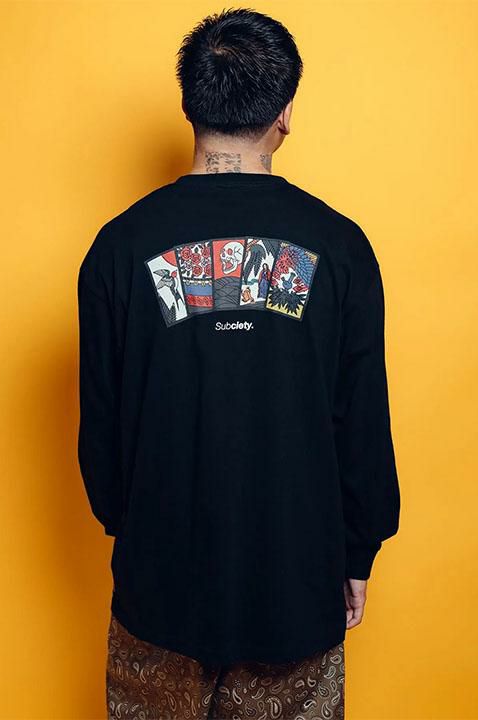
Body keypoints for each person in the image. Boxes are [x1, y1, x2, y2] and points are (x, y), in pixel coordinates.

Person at [77, 8, 401, 719]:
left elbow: (100, 433)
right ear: (286, 112)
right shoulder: (341, 248)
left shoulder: (118, 249)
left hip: (158, 589)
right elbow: (362, 423)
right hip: (296, 587)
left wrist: (135, 528)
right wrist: (358, 552)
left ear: (189, 105)